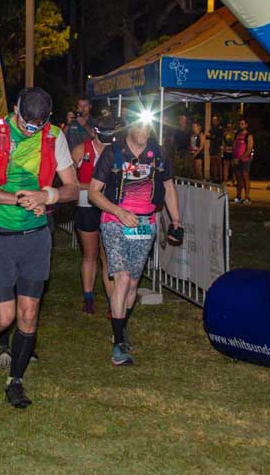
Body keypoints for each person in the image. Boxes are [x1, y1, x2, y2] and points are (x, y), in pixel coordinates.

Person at [0, 87, 79, 408]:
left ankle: (15, 380)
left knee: (29, 315)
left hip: (35, 236)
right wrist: (18, 198)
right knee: (4, 317)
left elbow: (72, 187)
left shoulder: (53, 136)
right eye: (27, 123)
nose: (32, 129)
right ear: (15, 107)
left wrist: (48, 196)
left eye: (38, 125)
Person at [88, 112, 183, 367]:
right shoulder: (113, 153)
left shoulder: (159, 153)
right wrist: (118, 211)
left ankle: (121, 327)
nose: (144, 132)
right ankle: (118, 343)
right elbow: (94, 193)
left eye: (148, 127)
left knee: (132, 284)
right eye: (139, 126)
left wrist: (176, 221)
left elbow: (170, 187)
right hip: (115, 221)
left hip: (145, 223)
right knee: (121, 278)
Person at [72, 115, 115, 315]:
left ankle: (112, 301)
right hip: (86, 206)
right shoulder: (81, 149)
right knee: (90, 255)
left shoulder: (116, 150)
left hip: (108, 207)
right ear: (95, 132)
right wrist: (92, 188)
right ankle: (88, 297)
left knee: (108, 257)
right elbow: (69, 183)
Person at [232, 118, 254, 204]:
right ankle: (238, 196)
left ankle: (247, 197)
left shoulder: (249, 135)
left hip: (245, 160)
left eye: (242, 124)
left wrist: (241, 158)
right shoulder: (237, 134)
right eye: (240, 124)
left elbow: (249, 149)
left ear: (246, 125)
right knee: (238, 178)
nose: (241, 125)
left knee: (245, 177)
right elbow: (234, 147)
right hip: (236, 159)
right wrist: (234, 157)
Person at [207, 114, 224, 183]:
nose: (213, 121)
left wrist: (211, 136)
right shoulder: (212, 128)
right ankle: (214, 178)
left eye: (215, 120)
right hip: (212, 148)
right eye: (213, 120)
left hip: (217, 148)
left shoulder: (220, 128)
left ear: (218, 121)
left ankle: (220, 178)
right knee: (213, 164)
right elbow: (208, 136)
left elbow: (216, 138)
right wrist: (211, 136)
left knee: (218, 164)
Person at [222, 121, 236, 187]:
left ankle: (234, 180)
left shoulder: (235, 133)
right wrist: (223, 151)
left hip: (233, 152)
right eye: (228, 126)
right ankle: (225, 179)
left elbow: (235, 142)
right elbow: (224, 142)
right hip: (226, 151)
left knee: (233, 166)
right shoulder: (225, 133)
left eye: (231, 126)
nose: (229, 127)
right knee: (226, 166)